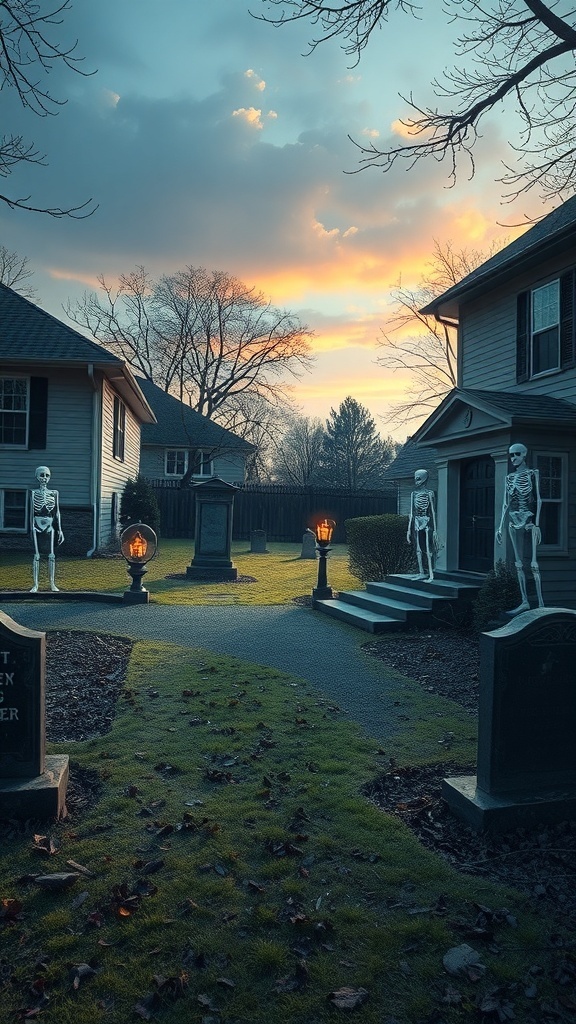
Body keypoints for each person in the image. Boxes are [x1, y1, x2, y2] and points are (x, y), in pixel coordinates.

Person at [496, 443, 544, 613]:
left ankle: (540, 605)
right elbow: (505, 503)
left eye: (517, 454)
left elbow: (538, 499)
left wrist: (537, 524)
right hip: (513, 520)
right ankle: (525, 601)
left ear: (524, 455)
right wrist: (500, 527)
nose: (513, 458)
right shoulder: (508, 478)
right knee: (518, 564)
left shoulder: (532, 474)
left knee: (533, 564)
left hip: (529, 519)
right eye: (511, 455)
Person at [30, 466, 64, 592]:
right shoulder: (33, 493)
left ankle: (52, 584)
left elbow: (57, 512)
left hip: (50, 525)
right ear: (37, 477)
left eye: (47, 475)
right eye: (41, 475)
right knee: (37, 555)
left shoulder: (54, 493)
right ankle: (36, 585)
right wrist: (30, 528)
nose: (44, 478)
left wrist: (60, 529)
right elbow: (31, 513)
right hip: (36, 525)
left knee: (51, 555)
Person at [406, 469, 438, 582]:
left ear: (424, 479)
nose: (416, 480)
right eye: (415, 478)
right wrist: (408, 530)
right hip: (417, 521)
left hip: (426, 520)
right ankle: (421, 572)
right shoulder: (413, 494)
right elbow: (411, 512)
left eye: (418, 478)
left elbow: (433, 511)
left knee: (429, 549)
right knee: (418, 549)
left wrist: (435, 530)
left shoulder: (430, 493)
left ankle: (431, 574)